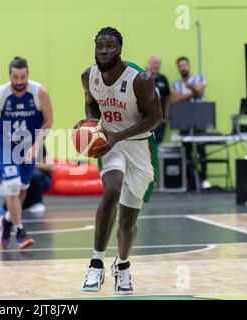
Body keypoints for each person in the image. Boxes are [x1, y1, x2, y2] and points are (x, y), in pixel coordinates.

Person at [75, 27, 162, 295]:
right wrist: (91, 123)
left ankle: (122, 265)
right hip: (110, 143)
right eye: (100, 46)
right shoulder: (89, 76)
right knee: (111, 189)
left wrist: (119, 136)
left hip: (139, 146)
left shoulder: (140, 79)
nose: (104, 51)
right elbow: (92, 104)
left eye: (110, 46)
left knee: (127, 223)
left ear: (119, 49)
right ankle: (95, 264)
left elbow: (155, 118)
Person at [0, 57, 53, 250]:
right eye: (16, 77)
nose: (19, 81)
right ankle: (20, 231)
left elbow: (48, 122)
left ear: (28, 75)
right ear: (10, 76)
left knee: (22, 189)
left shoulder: (39, 92)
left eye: (23, 77)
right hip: (5, 144)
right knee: (12, 186)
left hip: (28, 146)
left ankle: (6, 221)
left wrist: (37, 146)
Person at [171, 56, 210, 189]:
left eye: (184, 65)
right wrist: (193, 92)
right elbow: (176, 100)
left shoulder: (199, 78)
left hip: (199, 119)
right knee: (186, 151)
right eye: (180, 66)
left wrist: (191, 91)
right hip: (184, 121)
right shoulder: (176, 84)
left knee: (201, 149)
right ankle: (190, 180)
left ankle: (204, 178)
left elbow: (200, 93)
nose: (183, 68)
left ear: (189, 65)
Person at [2, 145, 54, 214]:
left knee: (34, 174)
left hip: (41, 179)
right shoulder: (16, 147)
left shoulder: (40, 146)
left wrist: (33, 165)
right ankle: (18, 205)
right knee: (6, 207)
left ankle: (37, 203)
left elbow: (51, 167)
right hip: (22, 177)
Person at [146, 56, 170, 145]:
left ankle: (157, 159)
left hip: (160, 120)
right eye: (154, 63)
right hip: (144, 119)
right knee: (146, 143)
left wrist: (166, 116)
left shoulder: (163, 79)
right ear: (149, 63)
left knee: (158, 144)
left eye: (158, 64)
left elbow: (167, 98)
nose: (156, 66)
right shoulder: (141, 76)